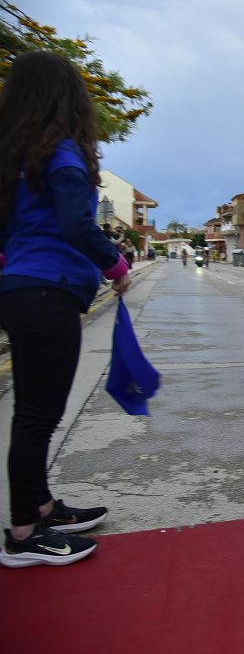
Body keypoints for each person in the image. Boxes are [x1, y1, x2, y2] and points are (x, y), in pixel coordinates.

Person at [0, 51, 132, 568]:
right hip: (48, 290)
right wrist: (116, 266)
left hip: (20, 289)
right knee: (38, 415)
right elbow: (79, 225)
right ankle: (23, 533)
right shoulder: (63, 153)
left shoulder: (17, 157)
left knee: (34, 410)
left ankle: (43, 506)